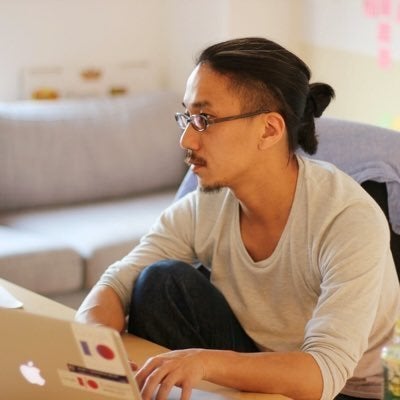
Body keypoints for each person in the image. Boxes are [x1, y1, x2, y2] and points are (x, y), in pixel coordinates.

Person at [76, 37, 400, 400]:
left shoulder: (347, 219)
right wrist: (89, 344)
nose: (187, 140)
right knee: (159, 281)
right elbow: (118, 283)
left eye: (204, 119)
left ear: (269, 130)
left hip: (348, 389)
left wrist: (203, 362)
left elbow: (323, 372)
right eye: (187, 117)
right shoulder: (207, 206)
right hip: (261, 362)